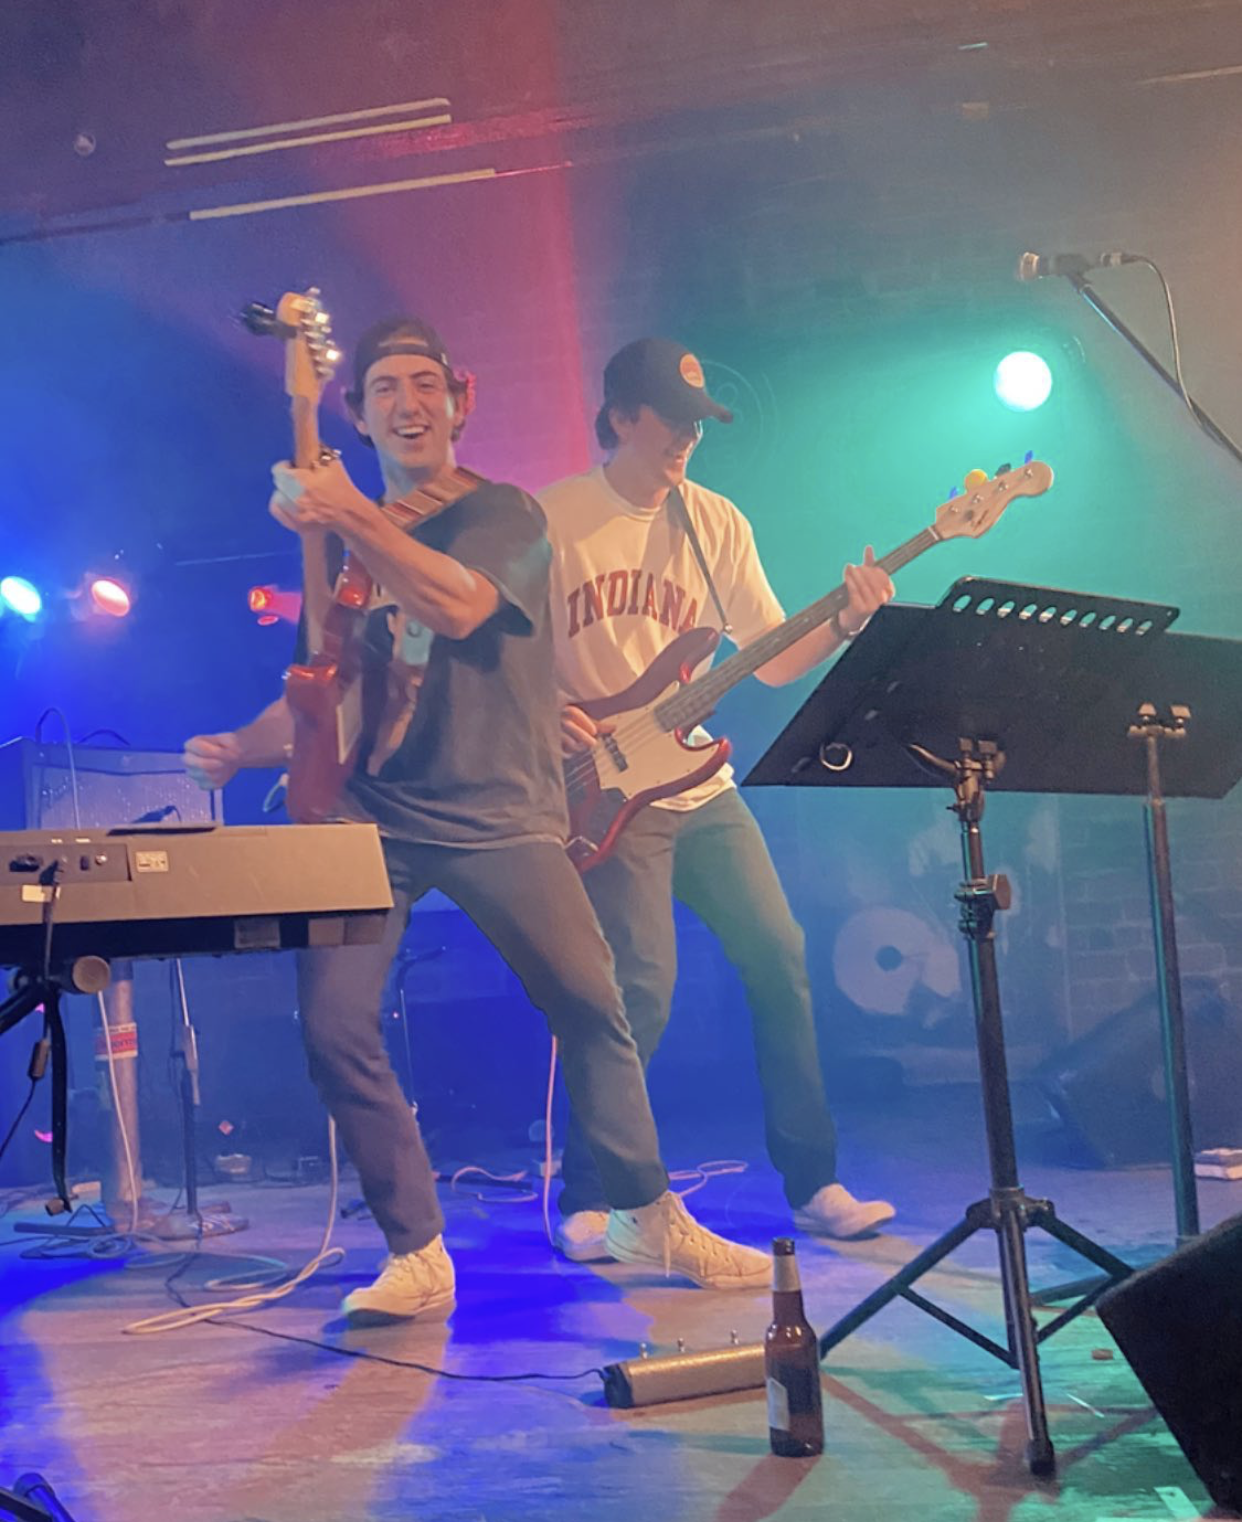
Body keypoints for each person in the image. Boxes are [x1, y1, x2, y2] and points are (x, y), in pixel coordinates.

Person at [184, 317, 771, 1321]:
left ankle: (644, 1210)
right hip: (373, 818)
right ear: (359, 414)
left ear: (459, 404)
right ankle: (416, 1250)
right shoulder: (351, 554)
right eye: (385, 388)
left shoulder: (504, 513)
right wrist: (241, 745)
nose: (407, 403)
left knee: (592, 1003)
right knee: (333, 1025)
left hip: (498, 808)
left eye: (425, 384)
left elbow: (456, 606)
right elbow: (324, 695)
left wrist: (345, 512)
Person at [538, 337, 897, 1263]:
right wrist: (543, 710)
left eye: (698, 423)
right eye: (672, 419)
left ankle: (813, 1182)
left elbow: (769, 656)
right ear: (621, 417)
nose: (687, 438)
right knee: (642, 988)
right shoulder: (555, 520)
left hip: (697, 782)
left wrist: (844, 623)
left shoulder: (715, 522)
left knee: (780, 952)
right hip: (605, 788)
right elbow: (497, 652)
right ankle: (591, 1193)